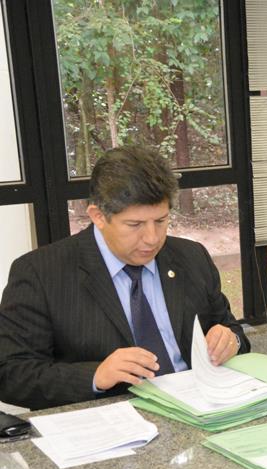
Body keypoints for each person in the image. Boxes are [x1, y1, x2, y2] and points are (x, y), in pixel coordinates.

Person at [0, 146, 248, 411]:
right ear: (98, 216)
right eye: (135, 225)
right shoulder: (40, 273)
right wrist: (95, 376)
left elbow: (233, 331)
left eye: (161, 221)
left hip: (199, 408)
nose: (152, 238)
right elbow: (11, 375)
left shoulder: (191, 257)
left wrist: (231, 340)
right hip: (107, 418)